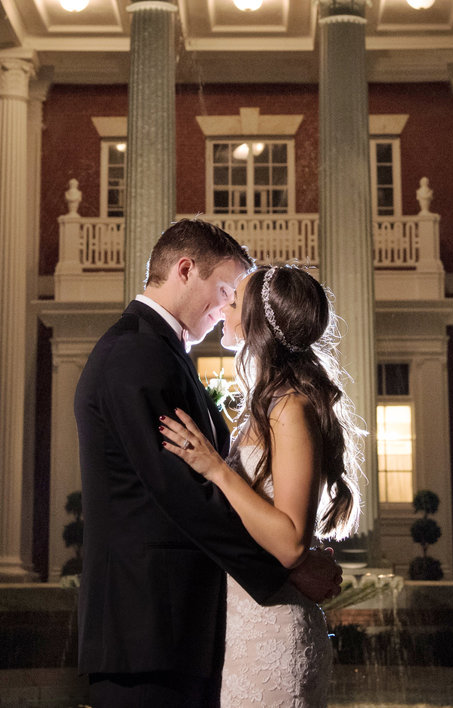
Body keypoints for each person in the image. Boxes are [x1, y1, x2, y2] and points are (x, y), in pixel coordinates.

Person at [74, 220, 343, 708]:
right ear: (184, 270)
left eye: (233, 299)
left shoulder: (162, 354)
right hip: (149, 630)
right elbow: (183, 496)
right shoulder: (138, 353)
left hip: (183, 630)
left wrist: (289, 557)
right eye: (224, 290)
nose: (224, 308)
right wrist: (287, 569)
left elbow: (216, 489)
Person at [159, 262, 364, 708]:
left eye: (233, 302)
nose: (223, 308)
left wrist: (216, 469)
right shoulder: (269, 402)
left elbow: (290, 541)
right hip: (246, 623)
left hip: (273, 636)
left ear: (256, 323)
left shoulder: (289, 407)